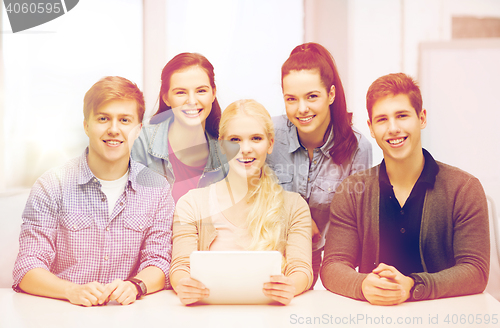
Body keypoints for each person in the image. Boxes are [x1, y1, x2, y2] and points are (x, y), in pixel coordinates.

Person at [320, 73, 490, 305]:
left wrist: (412, 286)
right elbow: (332, 266)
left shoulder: (464, 188)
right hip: (374, 318)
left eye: (402, 116)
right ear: (370, 127)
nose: (393, 128)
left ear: (421, 118)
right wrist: (362, 285)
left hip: (443, 318)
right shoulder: (352, 191)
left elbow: (476, 272)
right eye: (382, 119)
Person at [12, 76, 174, 307]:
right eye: (103, 118)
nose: (114, 129)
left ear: (138, 129)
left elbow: (159, 260)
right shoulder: (50, 185)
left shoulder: (157, 189)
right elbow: (27, 266)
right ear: (87, 125)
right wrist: (71, 291)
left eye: (125, 120)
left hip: (129, 316)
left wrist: (135, 285)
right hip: (62, 314)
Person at [170, 99, 313, 305]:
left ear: (270, 143)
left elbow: (301, 269)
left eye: (256, 138)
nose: (245, 149)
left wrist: (290, 286)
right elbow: (181, 266)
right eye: (235, 139)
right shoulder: (191, 204)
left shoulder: (295, 207)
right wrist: (183, 284)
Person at [266, 42, 372, 286]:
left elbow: (356, 224)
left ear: (331, 94)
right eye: (291, 99)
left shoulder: (358, 149)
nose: (302, 109)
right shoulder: (269, 134)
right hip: (269, 258)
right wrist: (300, 220)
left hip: (327, 265)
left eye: (312, 96)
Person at [132, 52, 227, 203]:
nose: (191, 101)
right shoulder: (140, 143)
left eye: (201, 91)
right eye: (181, 92)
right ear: (166, 98)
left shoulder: (225, 154)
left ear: (213, 93)